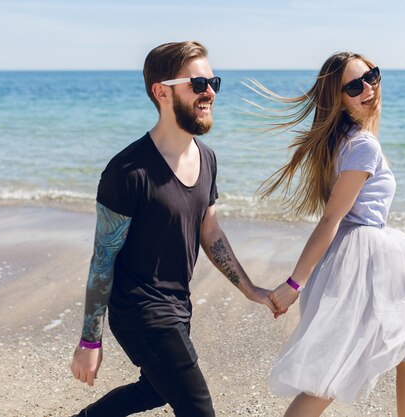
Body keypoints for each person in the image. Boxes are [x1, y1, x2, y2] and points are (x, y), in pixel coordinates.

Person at [69, 41, 277, 417]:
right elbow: (103, 259)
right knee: (198, 409)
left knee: (155, 389)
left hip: (178, 305)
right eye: (198, 84)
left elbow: (210, 232)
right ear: (162, 91)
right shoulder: (128, 171)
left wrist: (251, 290)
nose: (210, 91)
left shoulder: (207, 158)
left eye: (213, 81)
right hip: (140, 312)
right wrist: (89, 340)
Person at [249, 52, 405, 417]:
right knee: (331, 377)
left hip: (358, 259)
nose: (368, 89)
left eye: (372, 76)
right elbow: (330, 220)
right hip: (363, 267)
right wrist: (293, 286)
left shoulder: (344, 139)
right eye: (354, 86)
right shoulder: (362, 145)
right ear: (337, 99)